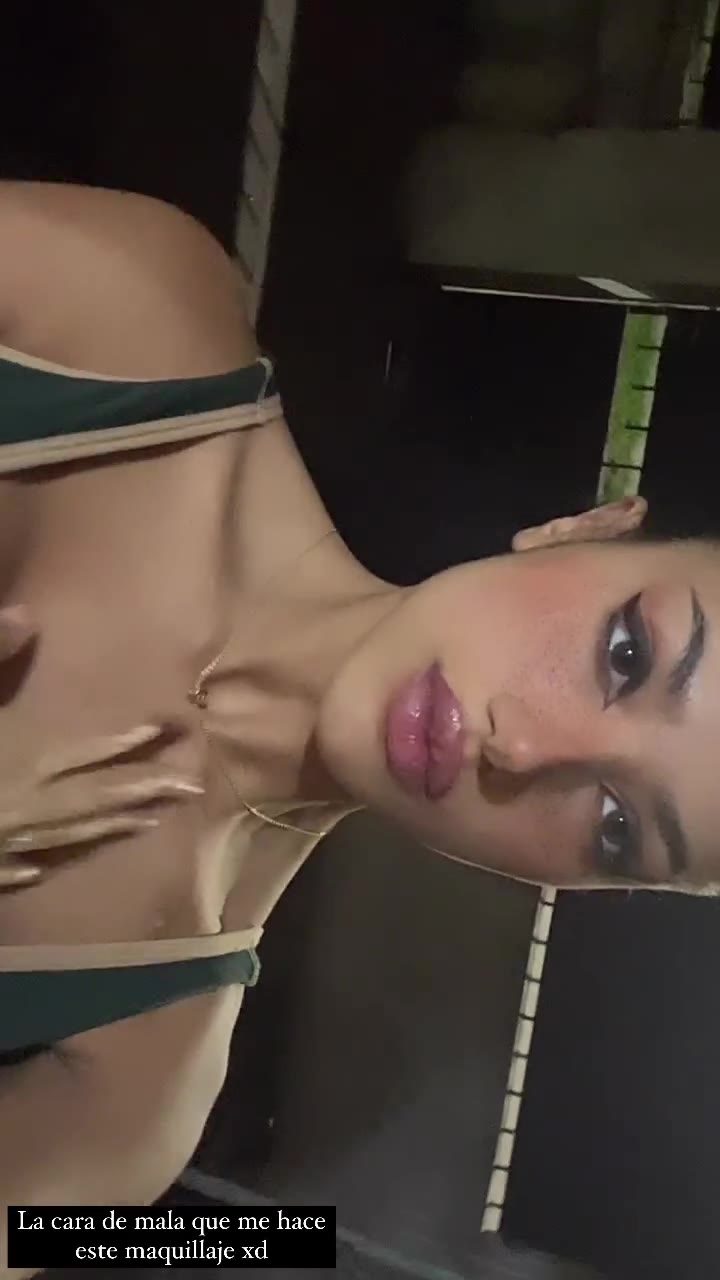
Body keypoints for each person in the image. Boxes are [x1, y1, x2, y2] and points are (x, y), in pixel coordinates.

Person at [0, 178, 710, 1251]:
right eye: (627, 653)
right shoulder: (132, 309)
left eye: (618, 826)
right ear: (587, 528)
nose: (522, 746)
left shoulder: (133, 1107)